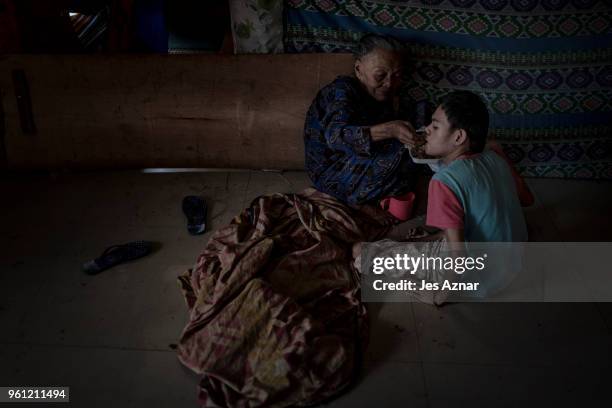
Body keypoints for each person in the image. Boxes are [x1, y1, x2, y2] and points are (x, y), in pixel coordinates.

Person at [303, 34, 420, 206]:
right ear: (358, 69)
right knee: (403, 157)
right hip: (332, 171)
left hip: (362, 159)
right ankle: (359, 203)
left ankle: (377, 197)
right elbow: (336, 138)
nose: (389, 83)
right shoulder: (341, 91)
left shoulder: (384, 96)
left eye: (397, 75)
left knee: (418, 149)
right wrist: (390, 129)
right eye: (380, 75)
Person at [422, 90, 533, 244]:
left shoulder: (443, 182)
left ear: (459, 137)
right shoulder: (495, 157)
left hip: (486, 265)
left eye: (435, 126)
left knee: (387, 253)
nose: (426, 129)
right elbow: (526, 200)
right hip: (522, 256)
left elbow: (458, 262)